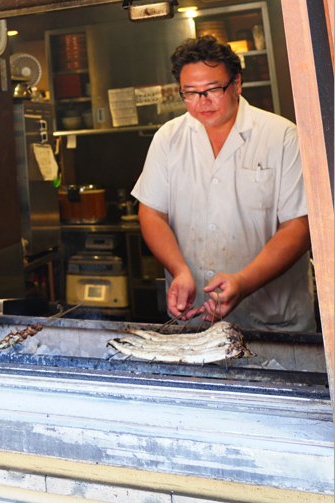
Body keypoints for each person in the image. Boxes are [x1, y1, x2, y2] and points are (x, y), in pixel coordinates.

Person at [132, 34, 314, 331]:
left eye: (213, 89)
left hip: (271, 321)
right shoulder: (168, 138)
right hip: (195, 319)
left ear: (237, 84)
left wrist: (243, 282)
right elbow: (152, 213)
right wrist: (179, 270)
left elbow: (299, 226)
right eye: (190, 93)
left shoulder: (281, 137)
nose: (202, 102)